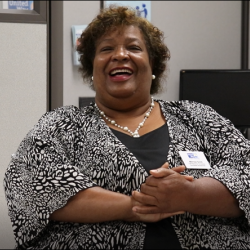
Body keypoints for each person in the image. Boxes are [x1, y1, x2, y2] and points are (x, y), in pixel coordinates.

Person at [4, 5, 250, 250]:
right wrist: (132, 206)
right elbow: (28, 185)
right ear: (92, 68)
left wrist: (189, 194)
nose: (120, 55)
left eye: (133, 47)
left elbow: (245, 172)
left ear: (153, 64)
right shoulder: (61, 125)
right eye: (107, 48)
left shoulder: (197, 116)